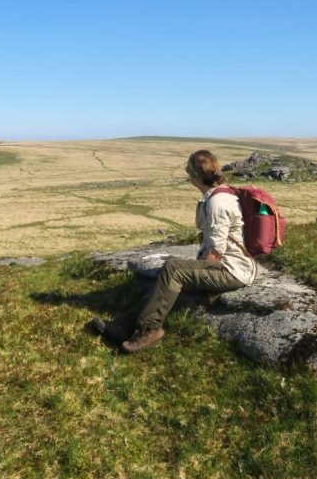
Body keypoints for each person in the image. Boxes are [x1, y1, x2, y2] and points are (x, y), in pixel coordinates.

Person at [88, 149, 259, 352]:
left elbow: (214, 252)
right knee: (171, 277)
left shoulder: (217, 203)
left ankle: (150, 330)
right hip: (229, 266)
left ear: (194, 175)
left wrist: (191, 276)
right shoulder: (222, 194)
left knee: (173, 270)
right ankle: (121, 327)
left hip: (232, 271)